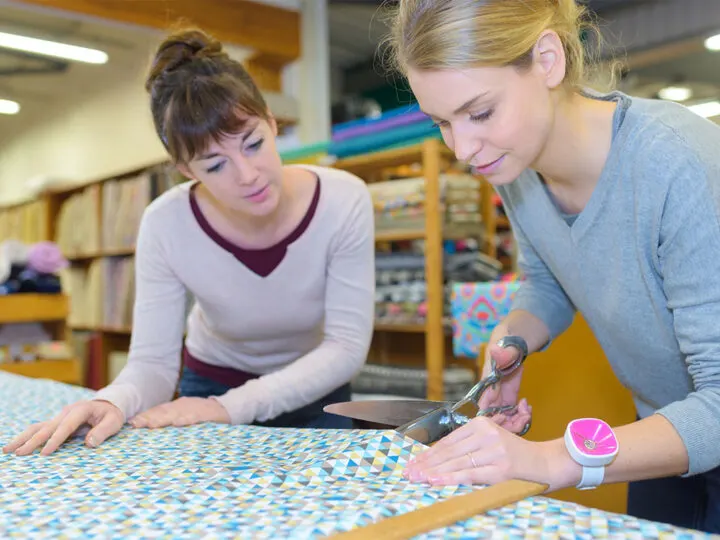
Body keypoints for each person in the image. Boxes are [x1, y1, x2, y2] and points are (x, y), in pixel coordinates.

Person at [386, 0, 720, 534]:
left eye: (480, 112)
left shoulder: (677, 166)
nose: (464, 150)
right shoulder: (515, 165)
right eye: (442, 122)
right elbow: (548, 279)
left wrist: (545, 461)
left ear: (547, 59)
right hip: (660, 430)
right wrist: (513, 342)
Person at [3, 27, 375, 457]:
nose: (247, 174)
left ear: (273, 123)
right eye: (215, 165)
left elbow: (346, 347)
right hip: (210, 383)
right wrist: (111, 400)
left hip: (315, 387)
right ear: (185, 170)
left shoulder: (343, 199)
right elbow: (153, 364)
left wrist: (229, 408)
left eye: (254, 144)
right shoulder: (166, 224)